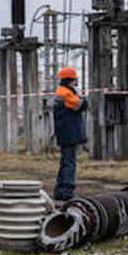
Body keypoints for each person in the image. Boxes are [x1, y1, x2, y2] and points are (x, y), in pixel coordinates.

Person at [53, 66, 88, 201]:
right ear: (69, 80)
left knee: (64, 162)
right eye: (74, 80)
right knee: (69, 163)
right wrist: (81, 97)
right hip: (69, 133)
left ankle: (59, 191)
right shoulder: (66, 93)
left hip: (65, 132)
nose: (76, 82)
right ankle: (68, 191)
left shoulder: (62, 92)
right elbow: (81, 105)